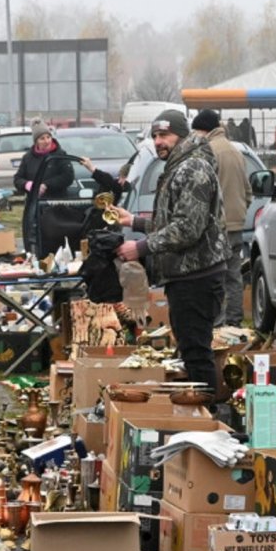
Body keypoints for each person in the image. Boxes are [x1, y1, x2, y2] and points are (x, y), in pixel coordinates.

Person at [109, 109, 229, 393]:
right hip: (185, 277)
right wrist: (135, 222)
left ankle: (209, 424)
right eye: (154, 136)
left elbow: (188, 229)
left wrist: (139, 247)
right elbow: (174, 221)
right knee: (190, 351)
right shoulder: (179, 166)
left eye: (165, 135)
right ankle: (199, 418)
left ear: (182, 135)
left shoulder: (193, 169)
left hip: (197, 279)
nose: (159, 141)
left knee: (197, 354)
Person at [191, 110, 249, 327]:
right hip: (236, 226)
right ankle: (234, 323)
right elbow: (248, 191)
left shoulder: (206, 151)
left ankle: (216, 324)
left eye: (196, 131)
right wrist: (238, 213)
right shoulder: (237, 151)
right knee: (234, 276)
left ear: (203, 130)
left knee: (211, 278)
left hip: (214, 227)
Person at [12, 121, 74, 254]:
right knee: (36, 240)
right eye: (42, 138)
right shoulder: (28, 158)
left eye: (48, 137)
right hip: (35, 207)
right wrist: (28, 185)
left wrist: (47, 184)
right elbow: (17, 179)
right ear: (36, 141)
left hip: (57, 204)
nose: (46, 141)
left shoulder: (60, 155)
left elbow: (68, 177)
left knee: (56, 240)